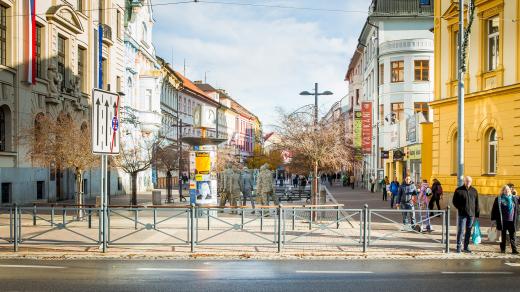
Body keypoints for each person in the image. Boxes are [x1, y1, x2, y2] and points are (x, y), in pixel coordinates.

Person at [452, 176, 480, 253]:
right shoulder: (459, 190)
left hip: (471, 215)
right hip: (462, 214)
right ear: (464, 181)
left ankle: (466, 247)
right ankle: (458, 247)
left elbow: (477, 203)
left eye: (469, 181)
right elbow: (454, 201)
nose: (468, 182)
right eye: (467, 181)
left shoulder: (474, 191)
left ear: (471, 182)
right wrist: (460, 208)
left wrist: (477, 214)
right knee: (461, 230)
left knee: (468, 231)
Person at [491, 185, 519, 254]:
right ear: (503, 191)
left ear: (510, 191)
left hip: (512, 220)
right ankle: (503, 249)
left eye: (508, 190)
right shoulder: (498, 199)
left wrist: (516, 194)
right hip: (502, 220)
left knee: (512, 236)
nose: (507, 191)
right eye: (505, 190)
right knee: (502, 236)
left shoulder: (514, 198)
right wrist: (493, 220)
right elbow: (494, 209)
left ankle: (514, 250)